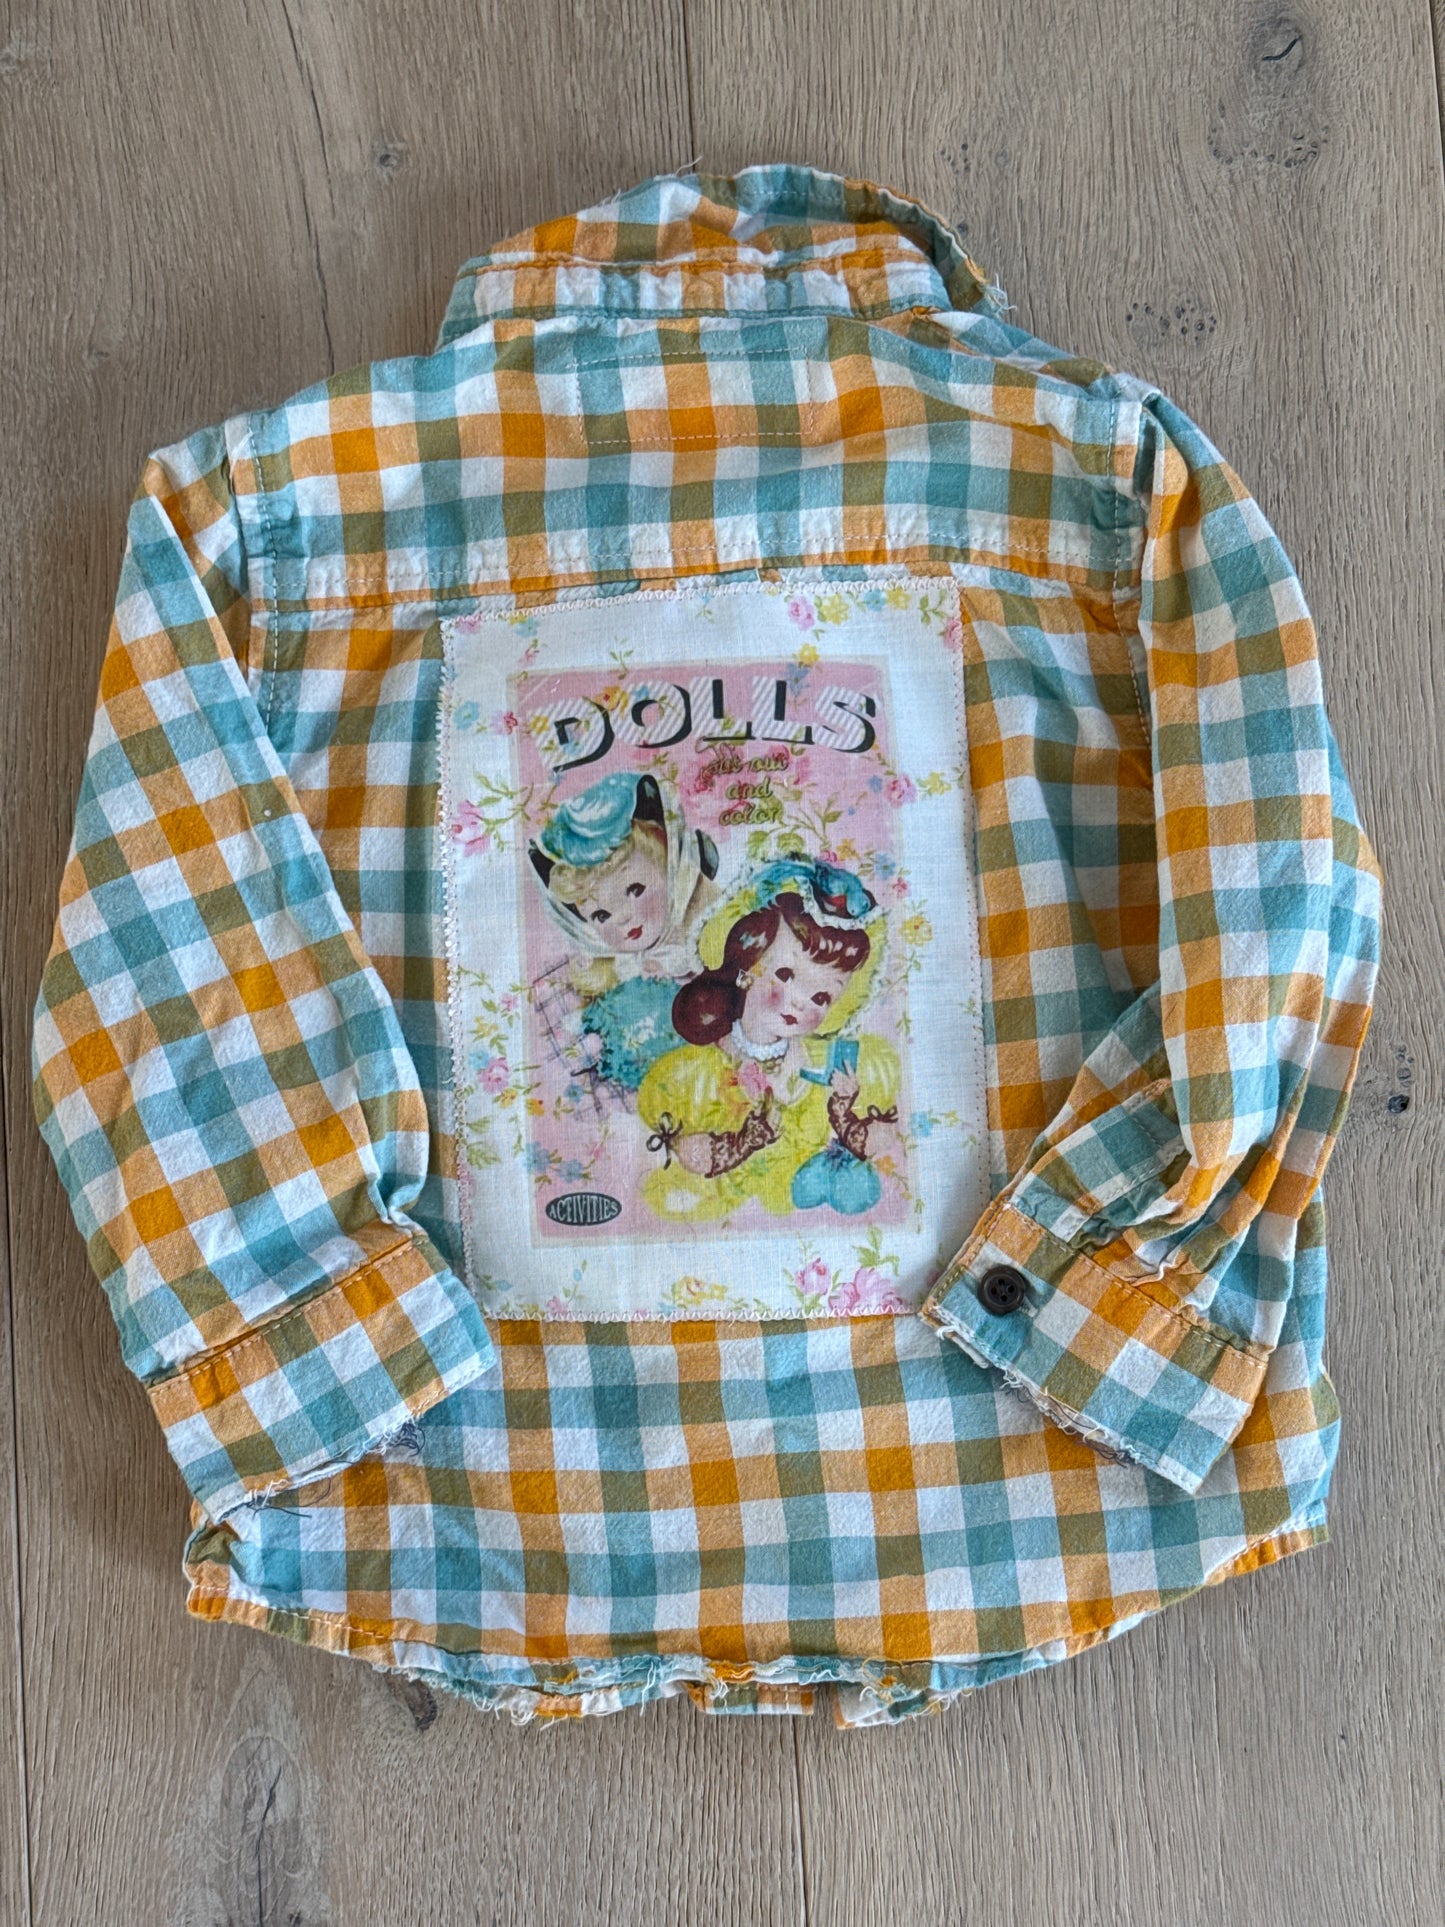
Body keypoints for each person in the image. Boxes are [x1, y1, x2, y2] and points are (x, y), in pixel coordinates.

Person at [637, 869, 900, 1223]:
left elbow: (840, 1132)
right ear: (748, 967)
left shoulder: (813, 1065)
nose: (800, 1002)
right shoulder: (702, 1067)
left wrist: (844, 1099)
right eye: (785, 975)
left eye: (821, 997)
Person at [526, 769, 719, 1089]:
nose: (624, 919)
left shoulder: (710, 943)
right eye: (601, 915)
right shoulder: (614, 975)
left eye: (636, 889)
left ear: (673, 869)